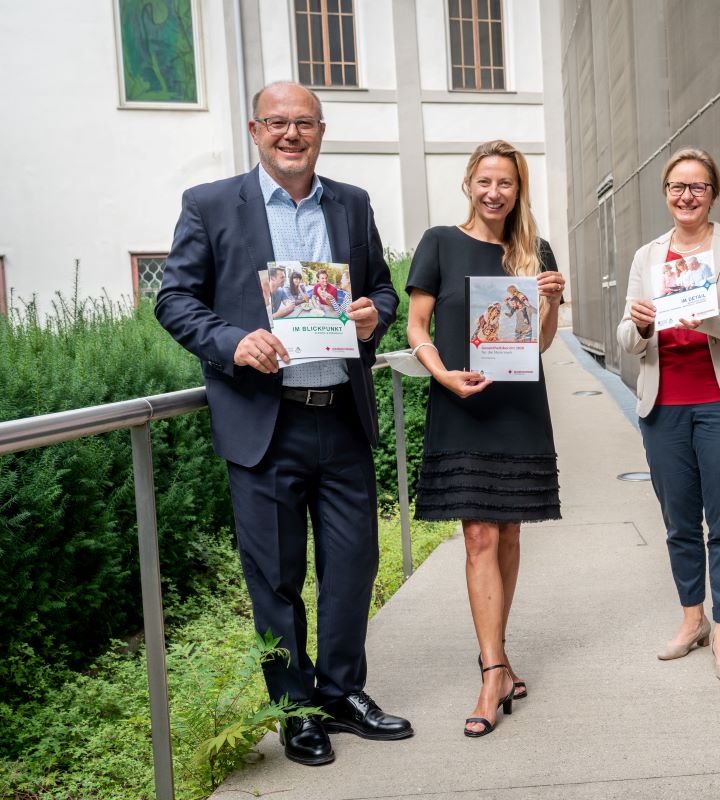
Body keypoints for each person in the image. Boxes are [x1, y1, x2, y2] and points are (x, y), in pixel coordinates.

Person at [155, 81, 410, 766]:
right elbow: (174, 298)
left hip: (342, 417)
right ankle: (295, 711)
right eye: (277, 122)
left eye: (305, 123)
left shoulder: (351, 203)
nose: (291, 134)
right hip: (264, 425)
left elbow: (382, 288)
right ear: (255, 130)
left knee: (353, 565)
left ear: (321, 131)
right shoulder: (210, 204)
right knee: (274, 577)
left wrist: (374, 316)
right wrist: (232, 340)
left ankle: (342, 694)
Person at [405, 139, 565, 737]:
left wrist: (551, 302)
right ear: (469, 183)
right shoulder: (438, 242)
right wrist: (442, 374)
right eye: (486, 181)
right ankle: (493, 670)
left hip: (518, 406)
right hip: (461, 403)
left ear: (518, 191)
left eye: (506, 183)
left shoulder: (534, 251)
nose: (494, 192)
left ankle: (496, 655)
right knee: (478, 535)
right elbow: (416, 325)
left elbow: (540, 343)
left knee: (509, 534)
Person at [618, 147, 720, 683]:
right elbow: (626, 338)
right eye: (677, 187)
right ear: (666, 194)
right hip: (664, 406)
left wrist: (709, 316)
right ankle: (692, 619)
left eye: (698, 187)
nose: (687, 196)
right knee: (679, 522)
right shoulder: (647, 257)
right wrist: (640, 325)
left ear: (713, 194)